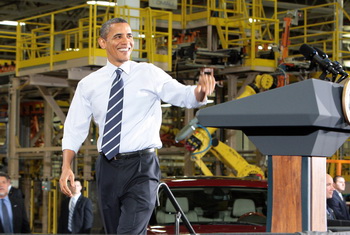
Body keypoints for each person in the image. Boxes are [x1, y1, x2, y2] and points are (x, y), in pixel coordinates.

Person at [59, 17, 216, 234]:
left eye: (130, 36)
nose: (126, 41)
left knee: (129, 232)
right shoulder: (88, 85)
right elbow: (75, 127)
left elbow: (182, 95)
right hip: (107, 167)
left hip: (142, 167)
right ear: (102, 42)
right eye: (118, 36)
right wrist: (66, 166)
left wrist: (200, 91)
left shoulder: (148, 73)